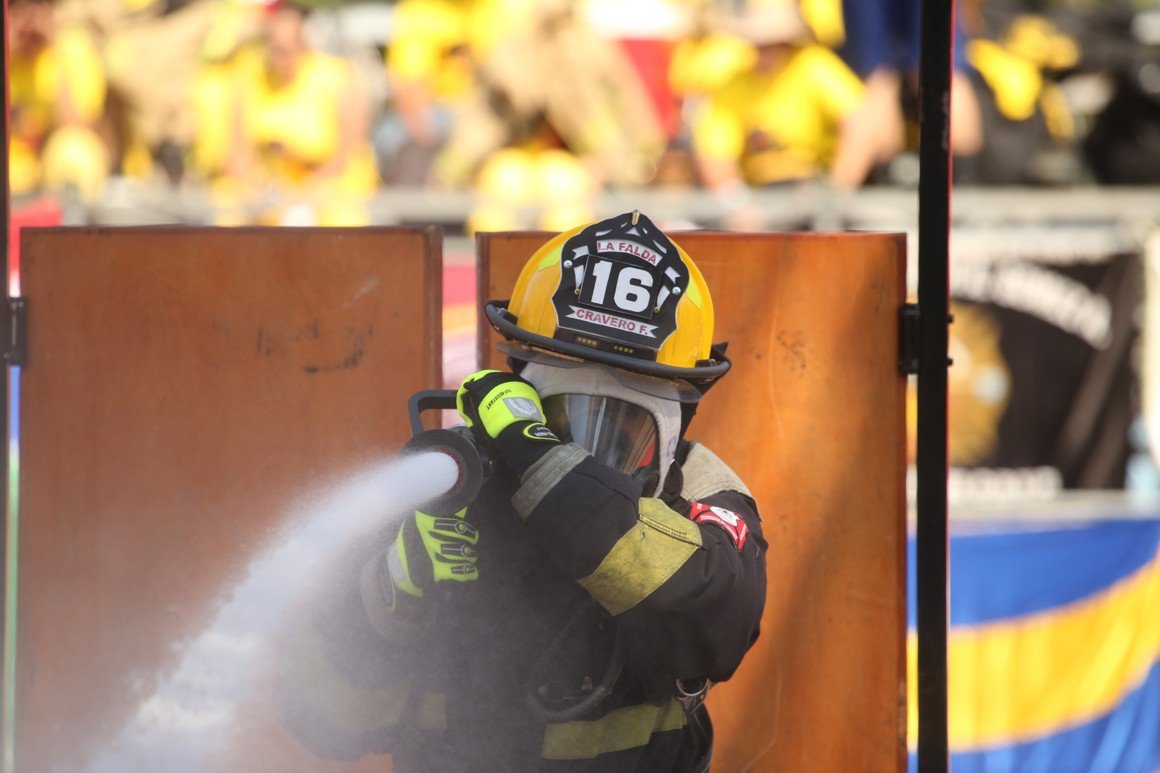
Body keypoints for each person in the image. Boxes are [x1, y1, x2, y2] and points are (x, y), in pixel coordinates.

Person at [276, 211, 768, 771]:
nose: (587, 460)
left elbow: (716, 619)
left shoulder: (704, 494)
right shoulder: (445, 493)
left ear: (675, 425)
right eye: (562, 422)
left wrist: (534, 451)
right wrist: (389, 597)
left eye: (623, 431)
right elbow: (321, 720)